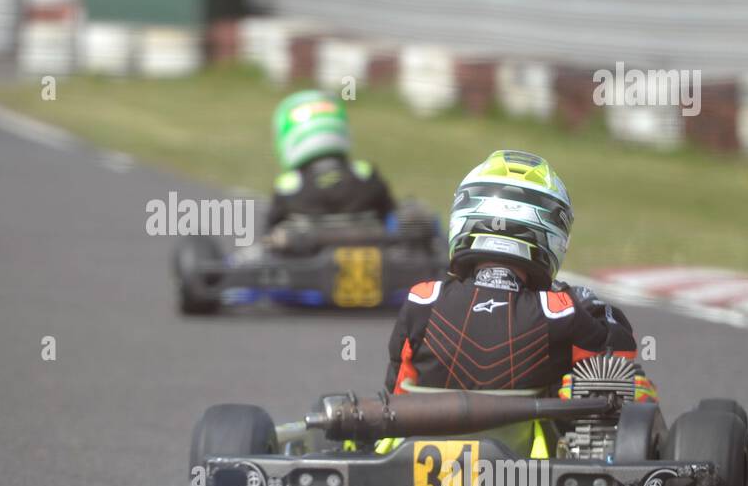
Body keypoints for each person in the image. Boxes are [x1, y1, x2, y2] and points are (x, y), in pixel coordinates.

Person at [385, 149, 656, 401]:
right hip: (530, 451)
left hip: (422, 447)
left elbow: (396, 395)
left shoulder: (423, 301)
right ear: (551, 232)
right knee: (638, 389)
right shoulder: (560, 311)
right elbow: (620, 356)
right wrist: (592, 308)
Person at [265, 90, 395, 231]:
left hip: (309, 252)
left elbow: (269, 235)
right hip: (372, 250)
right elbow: (393, 220)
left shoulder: (289, 188)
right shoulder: (366, 175)